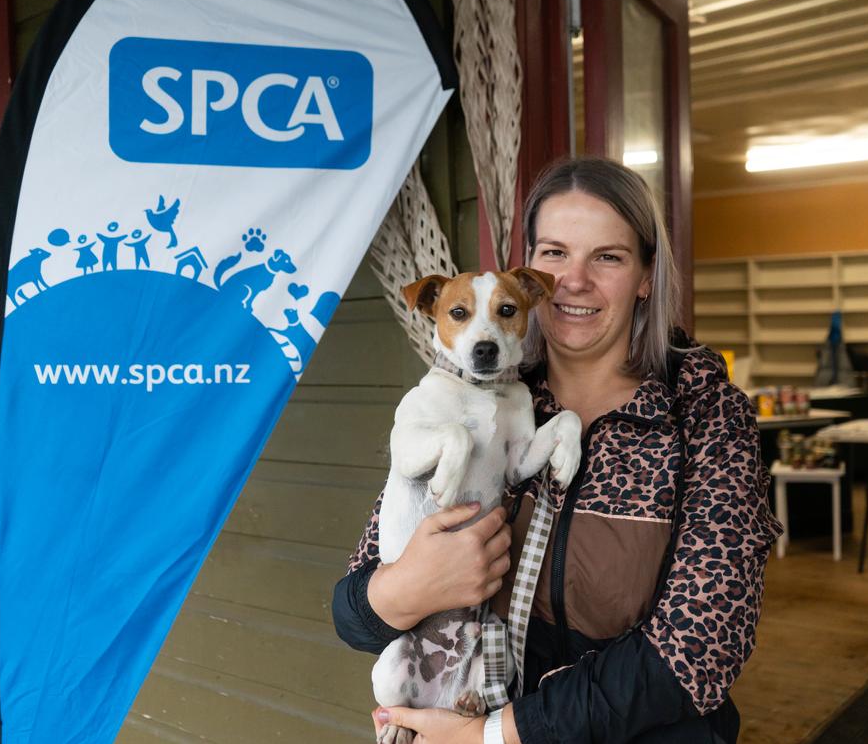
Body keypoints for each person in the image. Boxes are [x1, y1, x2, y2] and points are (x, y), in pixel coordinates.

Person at [332, 156, 782, 743]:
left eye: (608, 257)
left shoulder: (705, 416)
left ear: (647, 275)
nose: (574, 280)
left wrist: (497, 736)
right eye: (554, 253)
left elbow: (702, 648)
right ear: (530, 273)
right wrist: (406, 589)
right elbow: (354, 611)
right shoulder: (481, 400)